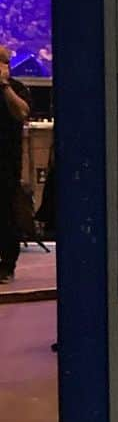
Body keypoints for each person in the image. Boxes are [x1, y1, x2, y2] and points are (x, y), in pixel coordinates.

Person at [0, 46, 32, 282]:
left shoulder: (16, 88)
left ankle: (7, 264)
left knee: (6, 213)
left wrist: (4, 87)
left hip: (6, 163)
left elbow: (22, 112)